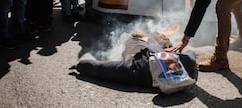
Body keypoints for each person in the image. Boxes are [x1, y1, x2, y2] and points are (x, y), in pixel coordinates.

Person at [70, 31, 198, 89]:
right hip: (157, 62)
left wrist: (79, 66)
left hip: (141, 70)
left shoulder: (135, 60)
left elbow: (101, 68)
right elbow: (190, 57)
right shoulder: (159, 47)